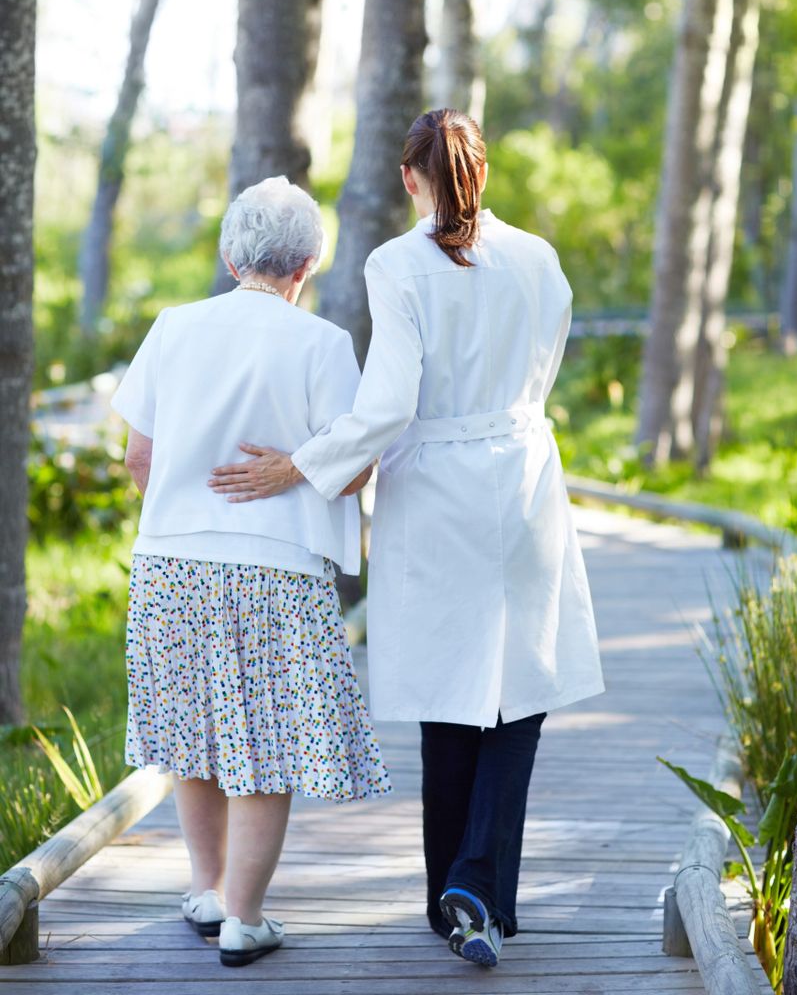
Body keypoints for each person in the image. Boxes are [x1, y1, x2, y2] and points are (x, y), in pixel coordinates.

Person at [207, 110, 605, 968]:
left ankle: (455, 892)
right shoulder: (538, 257)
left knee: (448, 687)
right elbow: (549, 356)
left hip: (437, 488)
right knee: (518, 686)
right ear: (482, 173)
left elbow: (387, 405)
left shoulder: (397, 264)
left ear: (407, 178)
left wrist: (300, 467)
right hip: (525, 474)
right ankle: (473, 891)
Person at [110, 175, 391, 969]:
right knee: (266, 745)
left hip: (171, 564)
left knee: (193, 734)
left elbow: (140, 457)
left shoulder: (173, 327)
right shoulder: (324, 344)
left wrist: (190, 509)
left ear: (232, 257)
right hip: (275, 572)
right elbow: (354, 468)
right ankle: (243, 916)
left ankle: (206, 889)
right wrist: (292, 472)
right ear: (306, 265)